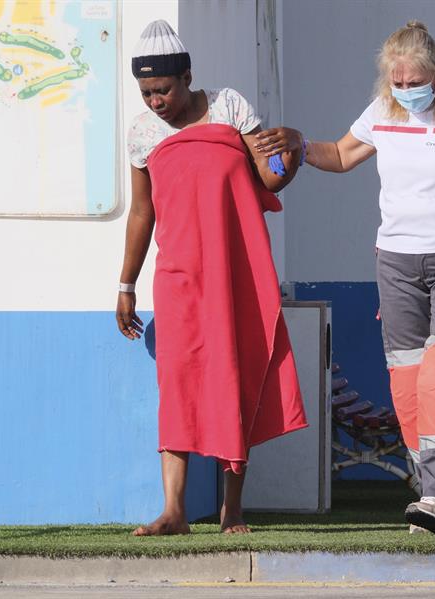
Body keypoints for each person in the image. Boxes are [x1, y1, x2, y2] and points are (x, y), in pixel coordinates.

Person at [255, 21, 435, 534]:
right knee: (407, 387)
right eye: (397, 82)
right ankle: (431, 492)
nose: (406, 90)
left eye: (414, 81)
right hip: (397, 264)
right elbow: (340, 155)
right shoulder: (384, 110)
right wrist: (298, 141)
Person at [116, 20, 307, 536]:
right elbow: (141, 213)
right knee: (176, 384)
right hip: (177, 278)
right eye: (146, 92)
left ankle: (232, 508)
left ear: (188, 77)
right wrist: (126, 285)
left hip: (235, 272)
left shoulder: (229, 106)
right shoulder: (141, 133)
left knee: (232, 374)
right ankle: (173, 511)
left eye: (163, 89)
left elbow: (269, 175)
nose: (155, 101)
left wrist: (295, 151)